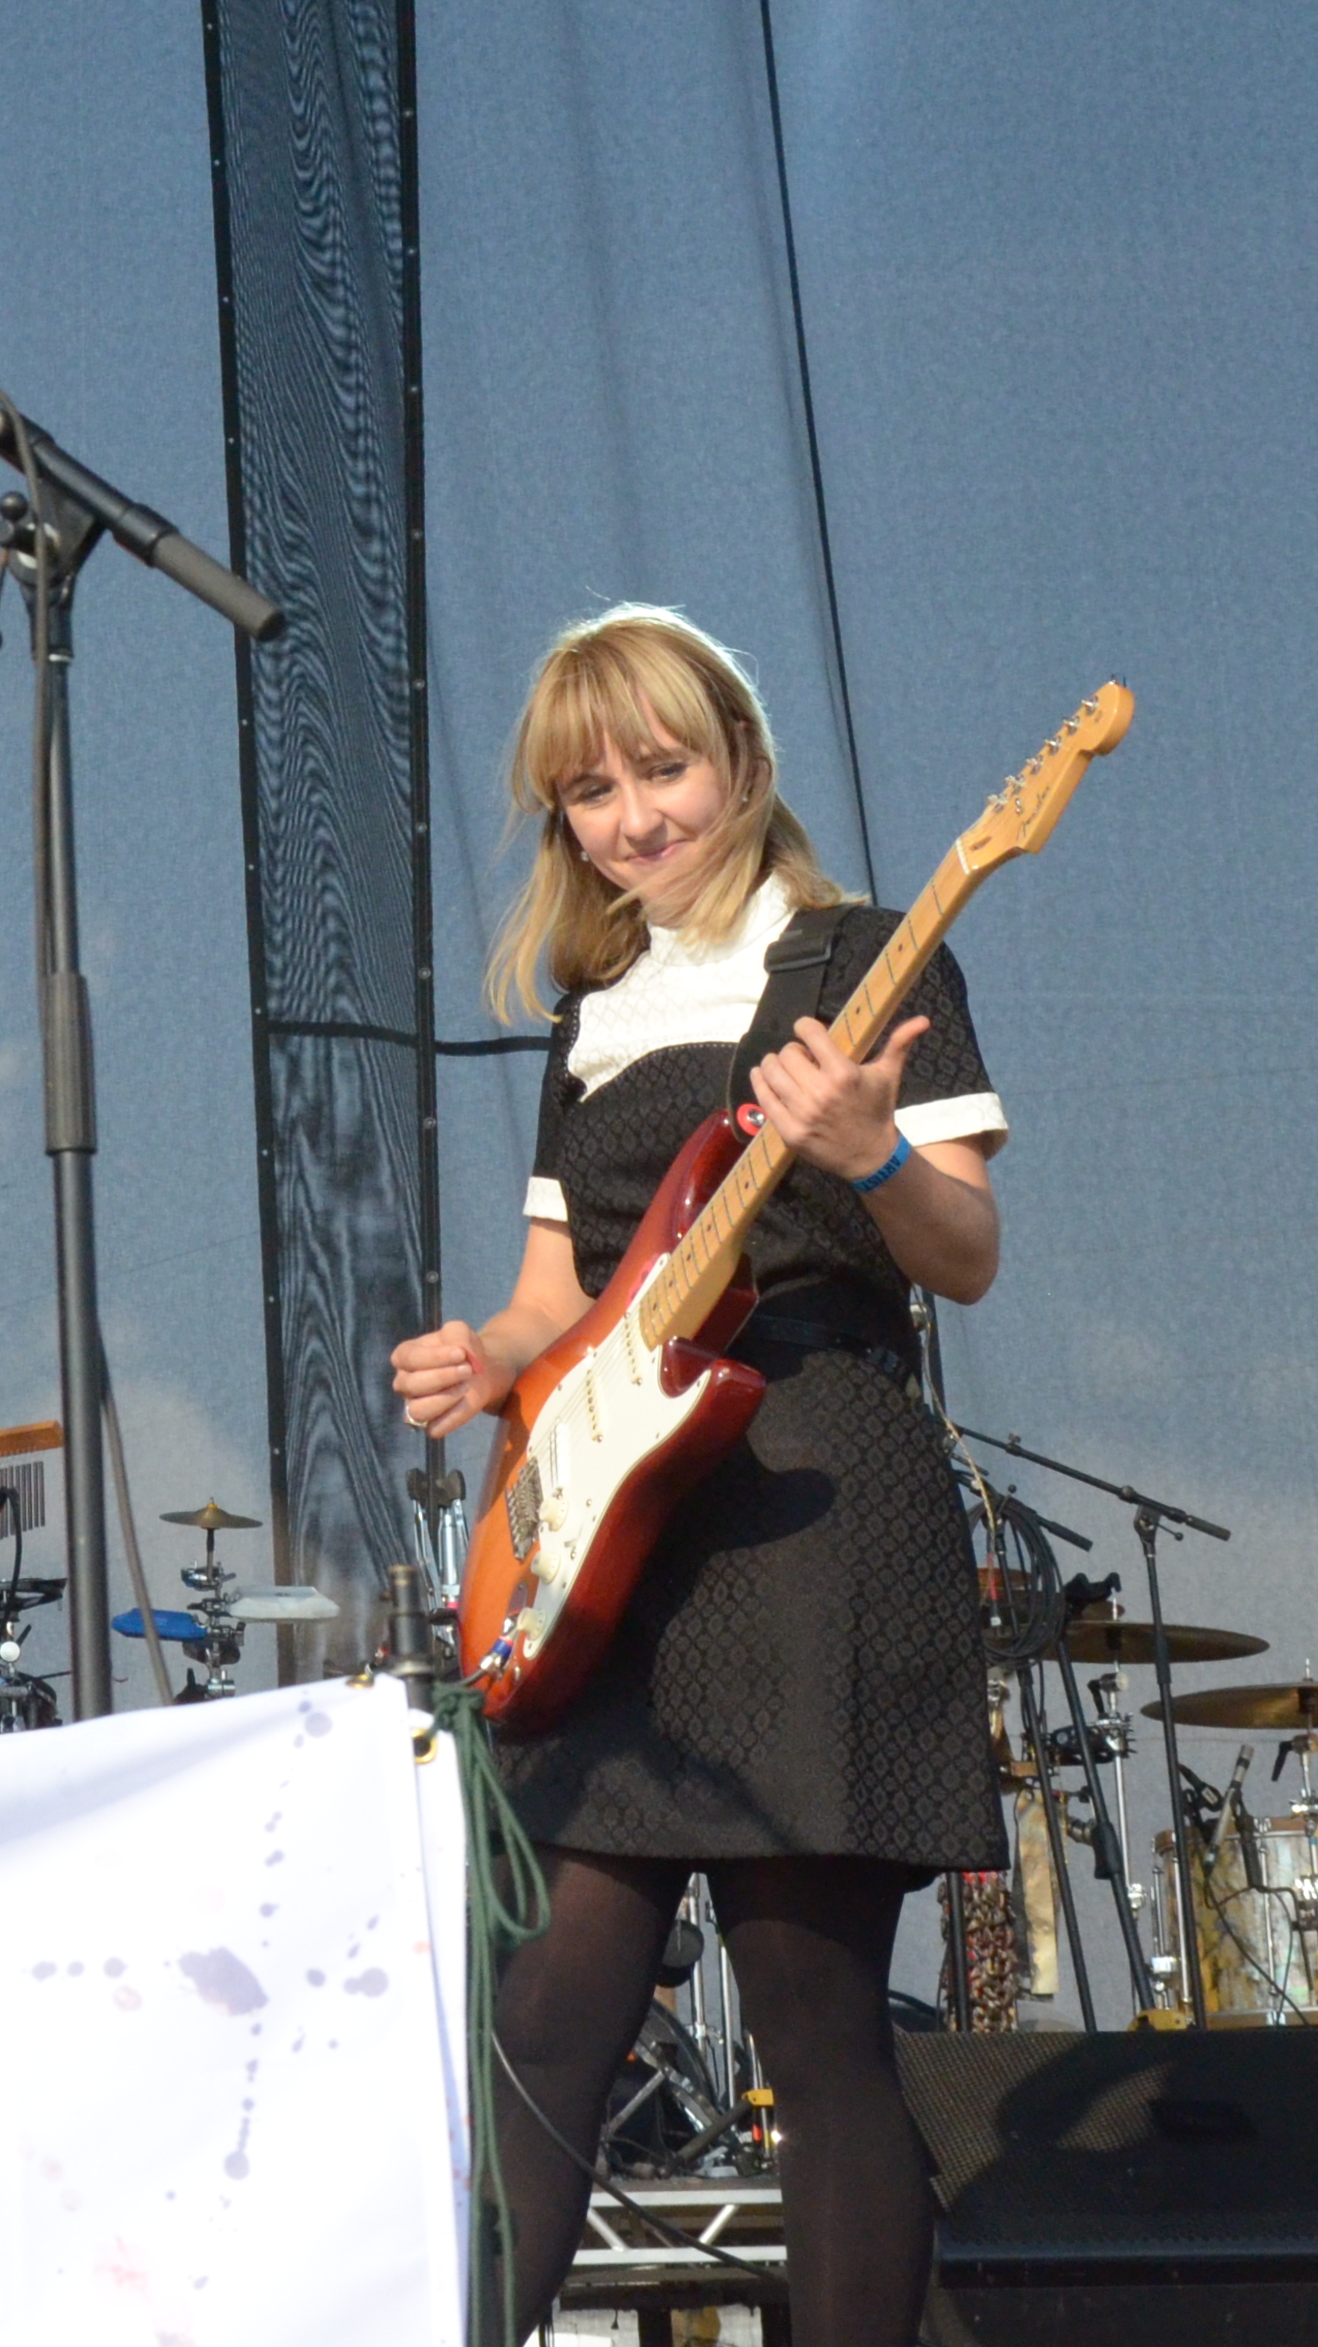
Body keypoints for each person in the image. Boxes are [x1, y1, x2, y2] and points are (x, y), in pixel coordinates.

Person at [392, 606, 1009, 2347]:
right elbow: (555, 1302)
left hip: (815, 1502)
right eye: (588, 791)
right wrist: (492, 1360)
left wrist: (868, 1149)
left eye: (660, 769)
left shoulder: (864, 962)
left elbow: (963, 1255)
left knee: (817, 2034)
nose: (631, 818)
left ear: (740, 759)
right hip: (620, 1555)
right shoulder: (591, 1011)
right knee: (547, 2023)